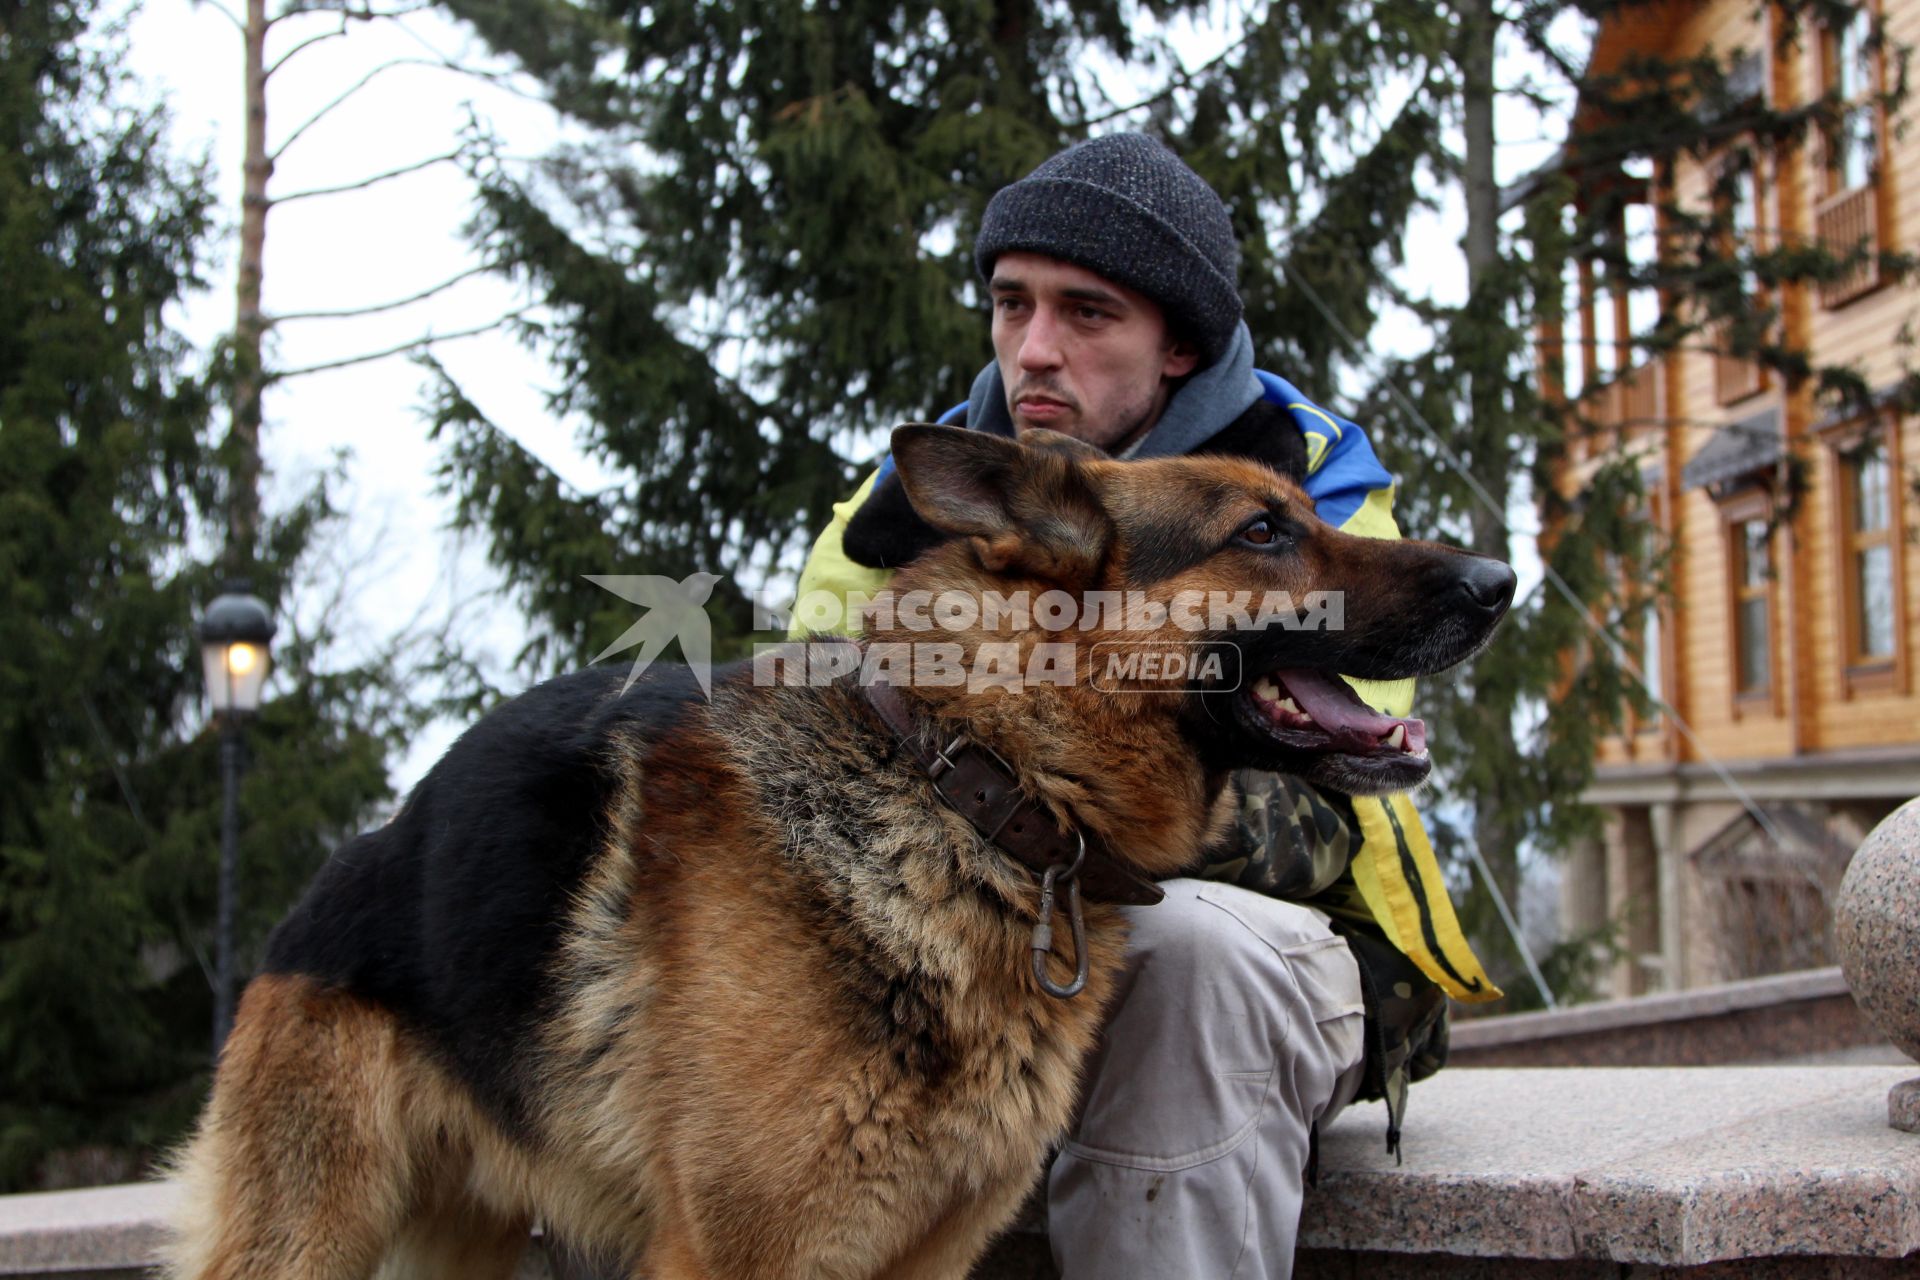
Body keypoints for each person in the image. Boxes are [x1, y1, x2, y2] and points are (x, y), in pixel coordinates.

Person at [790, 133, 1500, 1279]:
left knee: (1181, 954)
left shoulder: (1315, 491)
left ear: (1177, 344)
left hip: (1268, 955)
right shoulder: (902, 509)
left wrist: (1042, 770)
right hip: (962, 952)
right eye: (1011, 303)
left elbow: (1322, 812)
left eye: (1086, 313)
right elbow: (814, 795)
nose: (1035, 350)